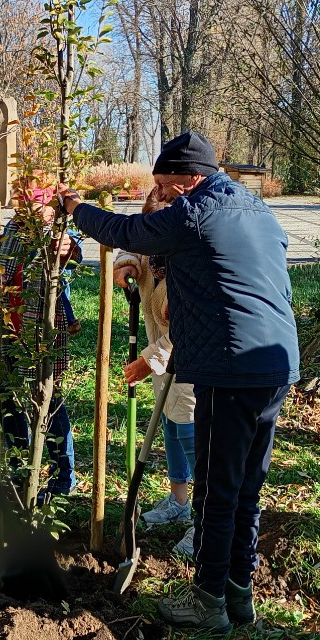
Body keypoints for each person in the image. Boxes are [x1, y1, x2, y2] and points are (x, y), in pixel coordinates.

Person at [58, 130, 300, 633]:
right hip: (274, 363)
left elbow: (128, 233)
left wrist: (76, 207)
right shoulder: (255, 209)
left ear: (191, 179)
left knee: (215, 489)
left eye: (167, 185)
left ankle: (209, 601)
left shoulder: (196, 210)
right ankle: (239, 594)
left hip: (230, 368)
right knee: (246, 487)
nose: (163, 194)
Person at [112, 191, 197, 537]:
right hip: (165, 365)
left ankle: (209, 522)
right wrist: (127, 261)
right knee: (172, 428)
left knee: (193, 435)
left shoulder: (191, 265)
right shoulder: (154, 253)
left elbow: (190, 327)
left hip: (194, 365)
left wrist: (149, 361)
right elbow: (130, 240)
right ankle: (179, 502)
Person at [0, 183, 82, 502]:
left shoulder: (56, 234)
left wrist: (67, 248)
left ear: (51, 209)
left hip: (42, 337)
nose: (25, 211)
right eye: (21, 205)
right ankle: (21, 467)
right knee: (10, 399)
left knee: (48, 401)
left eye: (33, 205)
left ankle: (64, 475)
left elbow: (71, 255)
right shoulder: (12, 229)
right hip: (9, 330)